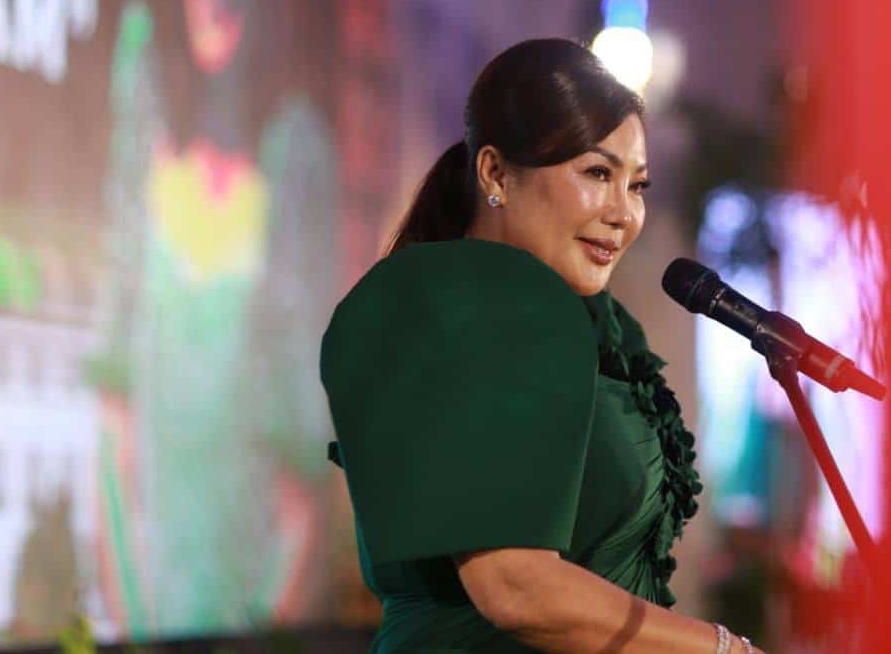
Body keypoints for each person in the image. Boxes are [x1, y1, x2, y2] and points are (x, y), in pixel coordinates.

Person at [320, 38, 764, 652]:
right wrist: (725, 649)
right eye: (597, 173)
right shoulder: (493, 302)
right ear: (496, 174)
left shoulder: (549, 317)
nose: (623, 214)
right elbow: (515, 587)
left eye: (637, 185)